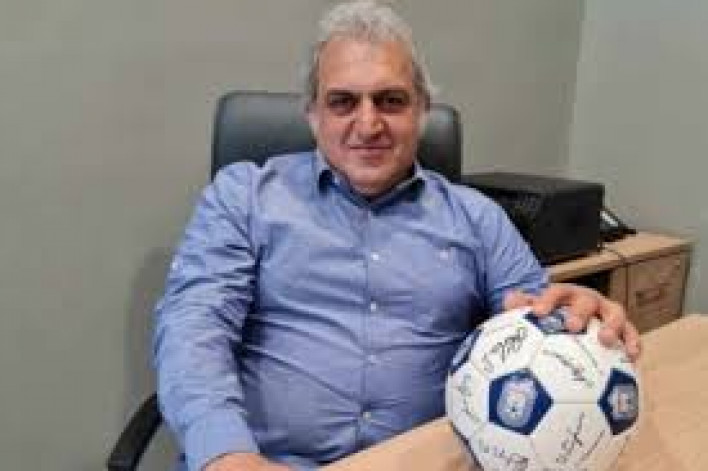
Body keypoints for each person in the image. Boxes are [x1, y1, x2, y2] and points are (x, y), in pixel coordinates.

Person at [154, 2, 641, 470]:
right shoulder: (244, 197)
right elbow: (193, 327)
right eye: (343, 102)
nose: (368, 125)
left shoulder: (477, 218)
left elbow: (533, 316)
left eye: (390, 101)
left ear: (422, 110)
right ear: (312, 114)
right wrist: (225, 454)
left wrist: (574, 324)